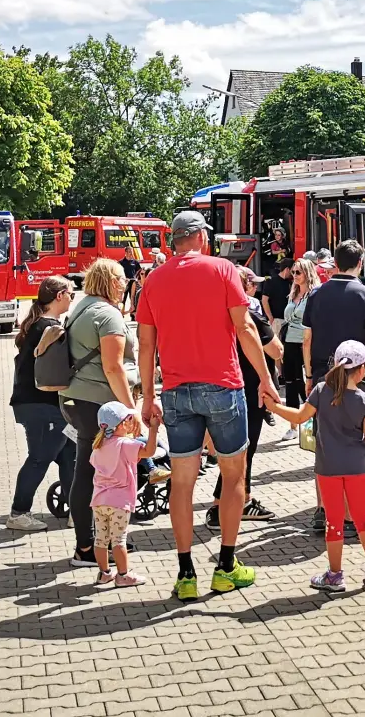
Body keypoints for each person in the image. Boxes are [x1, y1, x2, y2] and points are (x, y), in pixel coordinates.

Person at [136, 211, 278, 602]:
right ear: (200, 236)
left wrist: (148, 397)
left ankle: (185, 574)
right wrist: (265, 379)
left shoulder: (154, 279)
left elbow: (145, 345)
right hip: (223, 386)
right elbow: (246, 328)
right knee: (234, 474)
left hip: (176, 391)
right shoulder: (223, 270)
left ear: (173, 240)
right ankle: (226, 567)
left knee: (182, 481)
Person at [267, 340, 365, 592]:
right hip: (356, 466)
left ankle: (334, 575)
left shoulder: (321, 390)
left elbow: (300, 417)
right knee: (363, 517)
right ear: (362, 369)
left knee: (333, 521)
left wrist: (274, 407)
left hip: (327, 466)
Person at [302, 239, 365, 532]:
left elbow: (307, 339)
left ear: (335, 263)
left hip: (324, 375)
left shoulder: (316, 295)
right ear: (361, 263)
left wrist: (310, 374)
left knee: (323, 444)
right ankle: (352, 514)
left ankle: (323, 508)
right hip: (358, 379)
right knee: (359, 444)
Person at [60, 259, 137, 569]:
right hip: (98, 405)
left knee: (88, 471)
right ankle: (91, 545)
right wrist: (131, 408)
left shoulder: (81, 307)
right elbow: (113, 367)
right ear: (109, 282)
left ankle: (92, 542)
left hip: (74, 400)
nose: (125, 284)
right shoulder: (107, 315)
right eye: (121, 280)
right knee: (98, 473)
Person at [206, 266, 285, 529]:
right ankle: (224, 508)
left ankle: (232, 502)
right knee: (243, 452)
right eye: (252, 284)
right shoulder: (251, 316)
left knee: (233, 452)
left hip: (219, 386)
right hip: (251, 389)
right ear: (244, 287)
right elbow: (275, 351)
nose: (255, 288)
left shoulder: (211, 314)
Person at [8, 277, 78, 532]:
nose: (72, 297)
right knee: (39, 458)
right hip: (41, 405)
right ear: (59, 296)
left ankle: (76, 510)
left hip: (42, 405)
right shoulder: (48, 327)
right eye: (70, 292)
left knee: (71, 454)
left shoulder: (40, 324)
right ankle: (18, 512)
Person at [90, 401, 159, 587]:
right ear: (121, 424)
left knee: (101, 539)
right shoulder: (125, 444)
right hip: (119, 502)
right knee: (119, 540)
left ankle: (104, 573)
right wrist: (153, 430)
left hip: (99, 500)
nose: (131, 422)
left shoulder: (99, 445)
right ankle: (123, 575)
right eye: (129, 419)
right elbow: (150, 451)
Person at [279, 258, 320, 441]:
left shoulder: (314, 295)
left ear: (307, 273)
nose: (294, 276)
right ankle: (293, 426)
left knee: (306, 384)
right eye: (293, 272)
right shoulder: (293, 293)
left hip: (306, 343)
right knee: (290, 383)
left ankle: (312, 424)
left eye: (298, 272)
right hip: (289, 342)